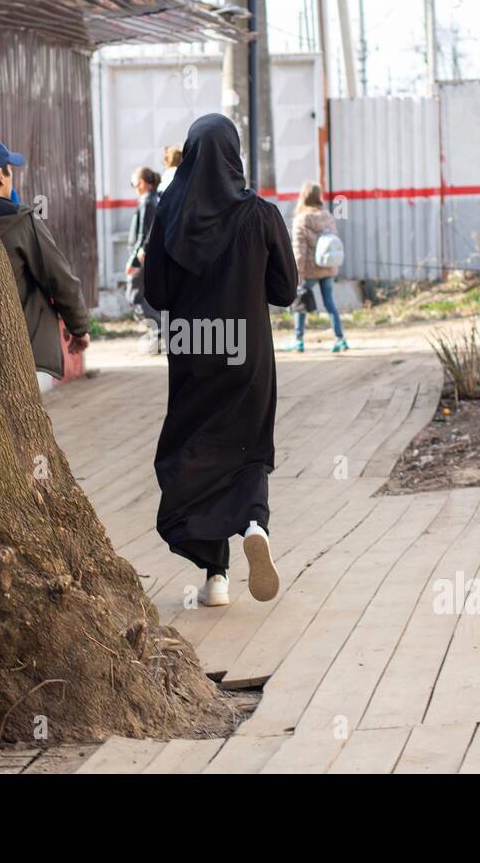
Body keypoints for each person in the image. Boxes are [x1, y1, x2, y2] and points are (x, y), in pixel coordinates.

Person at [143, 114, 298, 607]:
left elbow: (157, 293)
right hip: (247, 352)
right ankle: (255, 523)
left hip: (193, 351)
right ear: (234, 155)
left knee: (193, 450)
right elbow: (286, 291)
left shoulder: (167, 212)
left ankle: (216, 578)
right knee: (247, 446)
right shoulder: (261, 214)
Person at [0, 134, 90, 378]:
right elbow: (60, 279)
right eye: (9, 169)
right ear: (0, 175)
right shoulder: (23, 221)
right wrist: (79, 328)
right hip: (24, 348)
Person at [287, 181, 349, 353]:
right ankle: (340, 339)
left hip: (309, 270)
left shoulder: (302, 219)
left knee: (300, 301)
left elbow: (299, 250)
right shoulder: (327, 216)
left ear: (303, 196)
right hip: (327, 267)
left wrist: (297, 274)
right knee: (330, 302)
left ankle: (298, 341)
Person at [126, 167, 163, 354]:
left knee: (134, 297)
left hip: (141, 256)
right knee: (140, 297)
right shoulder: (151, 199)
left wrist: (133, 261)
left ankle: (161, 329)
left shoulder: (148, 202)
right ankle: (158, 334)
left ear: (141, 183)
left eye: (134, 183)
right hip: (145, 255)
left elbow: (144, 233)